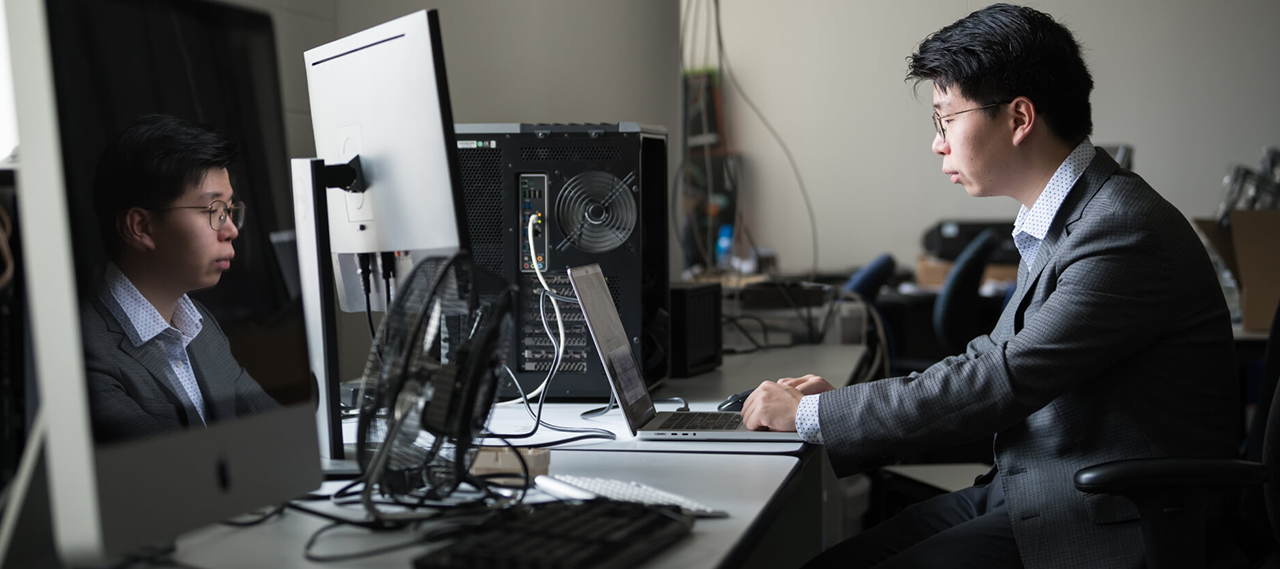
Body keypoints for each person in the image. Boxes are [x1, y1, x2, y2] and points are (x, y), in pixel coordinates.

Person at [740, 4, 1238, 568]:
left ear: (1019, 117)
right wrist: (842, 406)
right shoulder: (1069, 215)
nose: (938, 143)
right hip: (1034, 487)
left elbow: (1000, 379)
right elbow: (990, 360)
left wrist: (815, 418)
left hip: (1108, 517)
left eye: (945, 119)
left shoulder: (1121, 228)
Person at [81, 114, 279, 443]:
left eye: (230, 210)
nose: (230, 230)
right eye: (212, 211)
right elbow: (177, 477)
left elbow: (277, 430)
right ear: (140, 228)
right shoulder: (89, 352)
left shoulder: (200, 327)